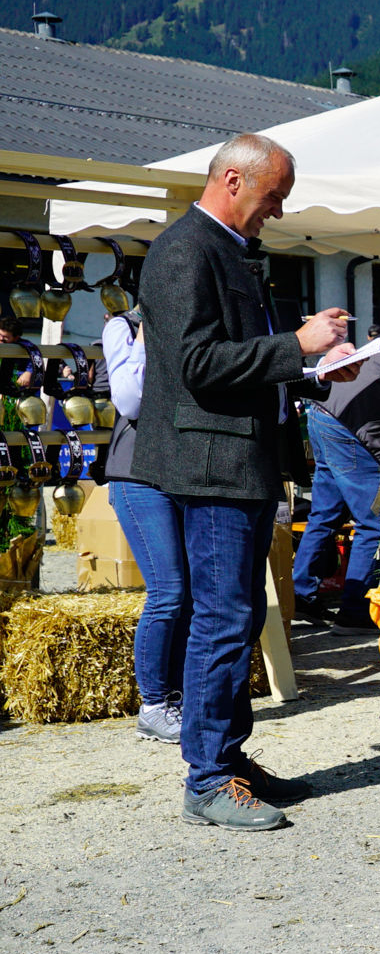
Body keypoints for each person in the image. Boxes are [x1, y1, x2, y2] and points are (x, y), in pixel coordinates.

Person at [133, 133, 361, 830]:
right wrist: (296, 348)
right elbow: (198, 365)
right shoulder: (185, 251)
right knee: (225, 618)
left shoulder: (220, 250)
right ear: (233, 180)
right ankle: (207, 778)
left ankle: (226, 761)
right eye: (272, 198)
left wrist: (310, 368)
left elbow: (231, 360)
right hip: (214, 465)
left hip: (237, 462)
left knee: (233, 617)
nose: (277, 213)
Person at [292, 315, 380, 634]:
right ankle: (355, 610)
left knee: (323, 514)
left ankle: (300, 596)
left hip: (323, 412)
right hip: (351, 423)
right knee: (375, 520)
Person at [100, 305, 188, 744]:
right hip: (137, 476)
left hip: (184, 473)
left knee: (188, 594)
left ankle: (180, 697)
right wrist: (148, 340)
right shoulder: (124, 327)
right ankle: (154, 704)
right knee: (168, 591)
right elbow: (129, 400)